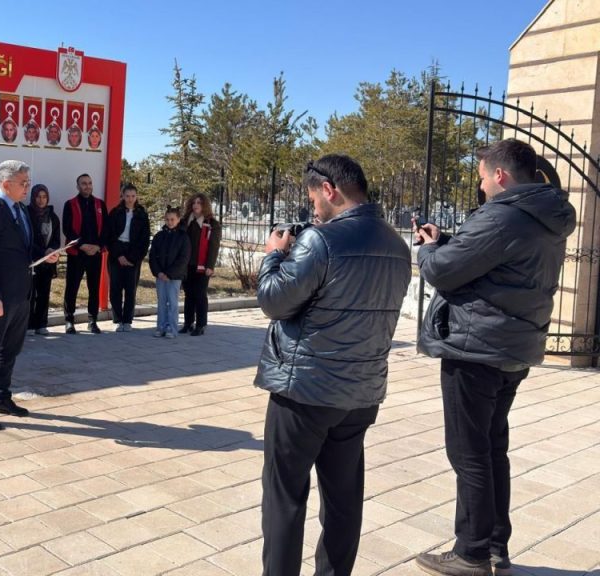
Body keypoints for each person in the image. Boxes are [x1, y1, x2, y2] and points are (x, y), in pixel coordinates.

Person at [413, 140, 576, 576]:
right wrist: (448, 241)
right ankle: (494, 548)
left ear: (500, 175)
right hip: (513, 347)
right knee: (491, 447)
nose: (482, 185)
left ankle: (471, 552)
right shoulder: (546, 216)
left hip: (476, 348)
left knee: (468, 452)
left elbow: (443, 270)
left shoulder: (502, 216)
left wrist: (428, 250)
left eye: (483, 176)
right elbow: (497, 263)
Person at [256, 155, 411, 576]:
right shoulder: (397, 247)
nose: (313, 211)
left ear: (330, 190)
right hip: (359, 394)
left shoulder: (321, 242)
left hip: (305, 393)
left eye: (313, 200)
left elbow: (274, 301)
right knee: (343, 500)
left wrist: (273, 256)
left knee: (285, 497)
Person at [0, 160, 57, 430]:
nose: (27, 187)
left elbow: (26, 248)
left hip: (20, 294)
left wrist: (45, 255)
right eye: (23, 183)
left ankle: (2, 397)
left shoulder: (20, 210)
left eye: (28, 182)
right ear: (5, 184)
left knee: (11, 351)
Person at [62, 174, 108, 334]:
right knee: (72, 288)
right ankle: (69, 320)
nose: (87, 186)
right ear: (78, 186)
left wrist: (98, 246)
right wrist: (82, 245)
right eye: (83, 184)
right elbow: (67, 229)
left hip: (95, 253)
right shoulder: (70, 204)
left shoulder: (100, 204)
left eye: (89, 183)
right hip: (77, 253)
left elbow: (106, 230)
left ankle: (92, 321)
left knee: (94, 288)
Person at [105, 183, 150, 332]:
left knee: (131, 289)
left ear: (136, 197)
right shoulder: (115, 212)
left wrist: (132, 258)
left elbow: (144, 240)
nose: (130, 199)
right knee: (115, 288)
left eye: (133, 196)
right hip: (117, 253)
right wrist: (119, 255)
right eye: (127, 196)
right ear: (122, 196)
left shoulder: (142, 215)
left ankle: (128, 320)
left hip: (133, 253)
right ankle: (118, 319)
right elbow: (109, 236)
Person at [180, 193, 221, 336]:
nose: (196, 205)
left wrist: (210, 266)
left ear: (204, 206)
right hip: (187, 264)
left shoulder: (212, 224)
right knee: (188, 294)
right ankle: (188, 323)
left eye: (199, 202)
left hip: (203, 265)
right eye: (194, 202)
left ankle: (201, 324)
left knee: (200, 294)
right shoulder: (185, 222)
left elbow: (214, 247)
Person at [148, 205, 189, 338]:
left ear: (178, 220)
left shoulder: (183, 237)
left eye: (172, 219)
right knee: (161, 302)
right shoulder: (159, 236)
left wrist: (170, 274)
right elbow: (153, 256)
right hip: (160, 276)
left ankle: (172, 328)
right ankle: (161, 327)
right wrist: (158, 272)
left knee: (172, 302)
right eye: (167, 219)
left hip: (174, 277)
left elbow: (183, 259)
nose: (170, 222)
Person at [28, 184, 60, 335]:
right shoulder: (26, 213)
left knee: (44, 293)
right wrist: (42, 252)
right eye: (38, 197)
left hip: (48, 262)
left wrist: (51, 251)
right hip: (32, 261)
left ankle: (41, 323)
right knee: (30, 294)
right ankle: (28, 325)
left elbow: (56, 239)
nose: (41, 200)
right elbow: (27, 239)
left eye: (44, 197)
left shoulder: (53, 216)